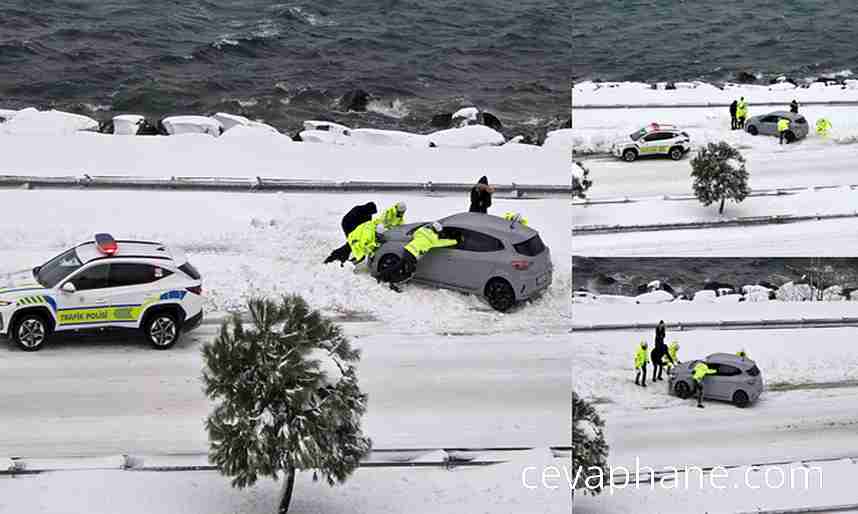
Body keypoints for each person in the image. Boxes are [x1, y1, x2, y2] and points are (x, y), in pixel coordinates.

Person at [378, 221, 457, 292]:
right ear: (437, 231)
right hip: (413, 254)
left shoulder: (422, 231)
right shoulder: (433, 239)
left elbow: (415, 234)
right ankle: (394, 283)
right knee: (410, 273)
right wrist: (455, 241)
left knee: (398, 265)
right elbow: (443, 242)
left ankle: (381, 275)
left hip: (407, 250)